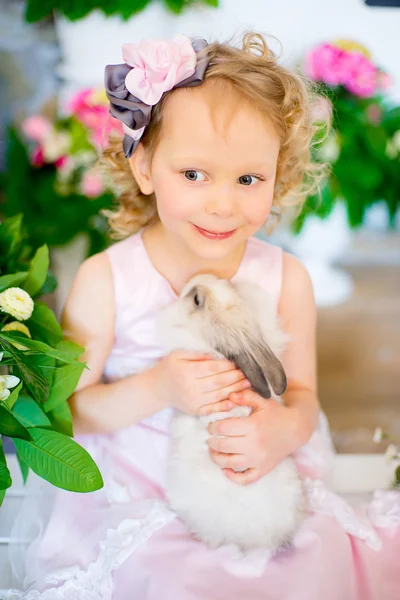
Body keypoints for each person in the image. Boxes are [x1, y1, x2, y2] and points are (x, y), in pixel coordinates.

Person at [3, 32, 399, 600]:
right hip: (143, 488)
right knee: (175, 583)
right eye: (193, 174)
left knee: (314, 566)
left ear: (278, 176)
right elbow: (71, 415)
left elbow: (304, 394)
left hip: (261, 481)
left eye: (248, 179)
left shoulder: (286, 278)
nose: (222, 203)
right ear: (144, 168)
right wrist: (160, 385)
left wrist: (281, 431)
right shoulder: (108, 279)